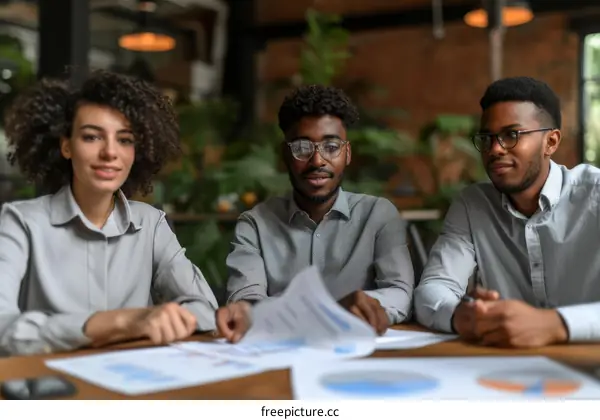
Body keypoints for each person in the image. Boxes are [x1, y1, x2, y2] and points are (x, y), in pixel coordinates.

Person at [0, 70, 218, 356]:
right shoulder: (21, 223)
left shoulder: (150, 225)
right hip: (51, 391)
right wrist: (119, 322)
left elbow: (205, 309)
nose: (110, 153)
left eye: (125, 140)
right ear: (66, 146)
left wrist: (173, 319)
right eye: (92, 137)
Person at [216, 85, 414, 342]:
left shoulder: (378, 215)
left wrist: (364, 304)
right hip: (278, 356)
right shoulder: (255, 224)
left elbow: (399, 292)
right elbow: (246, 300)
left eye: (331, 146)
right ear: (284, 155)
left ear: (348, 154)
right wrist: (331, 311)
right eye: (302, 147)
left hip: (358, 354)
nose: (318, 161)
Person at [415, 76, 600, 348]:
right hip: (502, 370)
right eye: (487, 138)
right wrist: (462, 316)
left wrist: (554, 324)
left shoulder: (594, 194)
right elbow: (433, 289)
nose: (495, 149)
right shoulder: (473, 205)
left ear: (551, 142)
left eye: (511, 135)